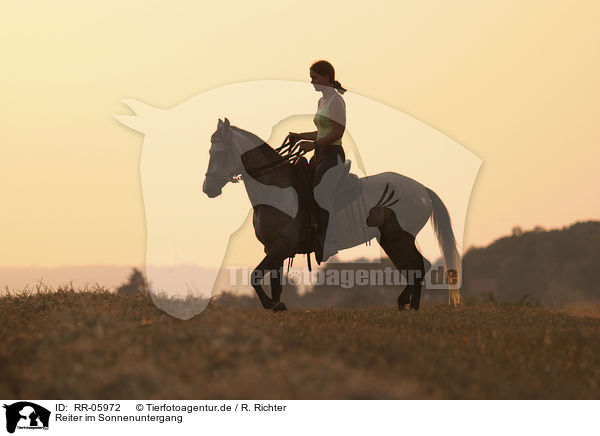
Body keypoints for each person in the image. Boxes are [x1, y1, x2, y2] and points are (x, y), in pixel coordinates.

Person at [289, 60, 347, 263]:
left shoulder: (336, 101)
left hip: (333, 155)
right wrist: (300, 136)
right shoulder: (321, 102)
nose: (311, 81)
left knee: (321, 191)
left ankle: (330, 239)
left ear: (326, 78)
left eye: (315, 77)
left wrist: (313, 145)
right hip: (321, 153)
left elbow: (338, 131)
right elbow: (321, 131)